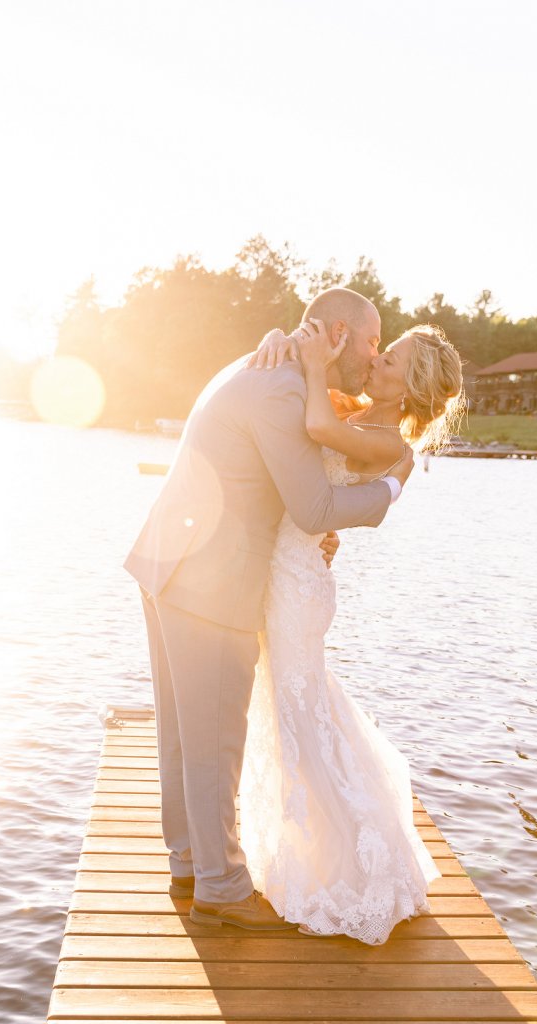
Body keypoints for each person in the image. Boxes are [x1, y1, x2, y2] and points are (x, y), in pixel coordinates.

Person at [124, 288, 413, 931]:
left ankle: (189, 863)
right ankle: (221, 889)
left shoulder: (263, 365)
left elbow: (283, 485)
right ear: (337, 333)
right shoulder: (282, 388)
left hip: (168, 560)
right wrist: (389, 488)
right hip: (208, 582)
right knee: (214, 741)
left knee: (181, 733)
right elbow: (312, 509)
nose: (374, 356)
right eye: (371, 341)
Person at [239, 319, 464, 944]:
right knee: (293, 706)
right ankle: (300, 847)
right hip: (289, 567)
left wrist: (315, 364)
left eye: (389, 358)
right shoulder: (355, 413)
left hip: (298, 585)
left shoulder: (392, 445)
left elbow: (314, 433)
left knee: (298, 708)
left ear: (407, 384)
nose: (376, 359)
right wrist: (285, 341)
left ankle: (345, 869)